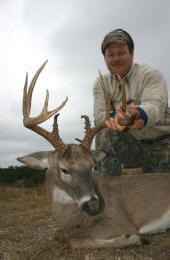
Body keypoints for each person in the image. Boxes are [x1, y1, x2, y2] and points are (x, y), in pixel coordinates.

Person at [93, 28, 170, 176]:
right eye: (111, 55)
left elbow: (156, 108)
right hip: (130, 143)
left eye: (121, 52)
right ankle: (108, 187)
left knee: (160, 190)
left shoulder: (150, 75)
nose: (116, 59)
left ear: (132, 54)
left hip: (161, 141)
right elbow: (100, 115)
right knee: (104, 131)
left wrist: (138, 114)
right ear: (105, 58)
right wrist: (118, 119)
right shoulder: (100, 83)